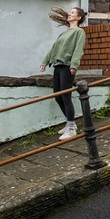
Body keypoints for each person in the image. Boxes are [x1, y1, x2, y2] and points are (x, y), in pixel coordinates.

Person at [40, 7, 87, 140]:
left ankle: (71, 128)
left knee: (66, 97)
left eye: (72, 13)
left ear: (78, 18)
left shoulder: (79, 32)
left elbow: (79, 49)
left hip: (67, 67)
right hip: (58, 66)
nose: (69, 14)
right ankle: (70, 123)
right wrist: (44, 62)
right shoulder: (64, 33)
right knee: (57, 96)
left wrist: (74, 65)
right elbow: (53, 48)